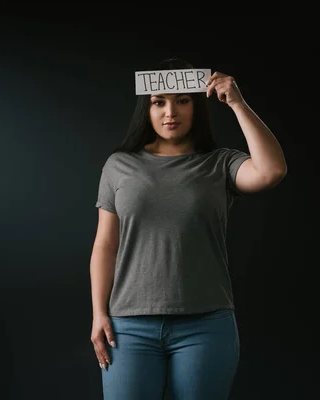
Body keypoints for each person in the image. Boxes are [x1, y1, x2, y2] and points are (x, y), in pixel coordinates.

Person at [89, 57, 287, 400]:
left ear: (196, 107)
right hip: (129, 326)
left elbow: (271, 171)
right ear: (146, 109)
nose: (171, 112)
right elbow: (106, 244)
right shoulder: (119, 165)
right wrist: (98, 313)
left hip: (205, 326)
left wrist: (237, 103)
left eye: (183, 100)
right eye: (159, 102)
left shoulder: (220, 163)